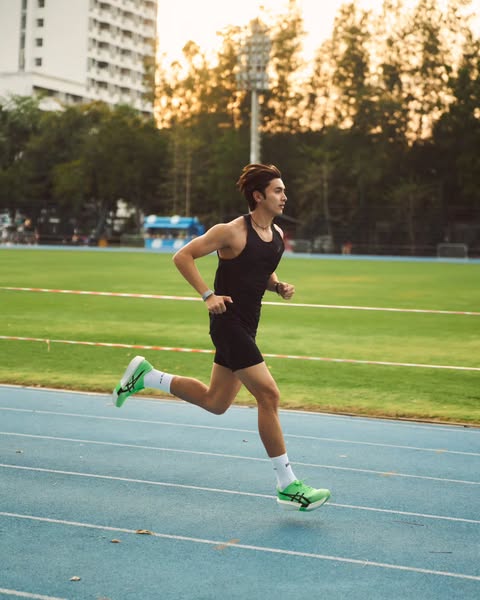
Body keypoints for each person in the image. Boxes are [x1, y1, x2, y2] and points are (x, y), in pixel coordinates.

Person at [113, 163, 331, 512]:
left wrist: (277, 286)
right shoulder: (230, 231)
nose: (284, 196)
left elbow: (259, 269)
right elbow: (183, 256)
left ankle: (147, 376)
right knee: (269, 395)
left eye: (284, 190)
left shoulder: (275, 234)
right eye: (277, 191)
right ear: (258, 196)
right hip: (227, 323)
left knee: (216, 402)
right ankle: (287, 484)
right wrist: (207, 295)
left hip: (248, 325)